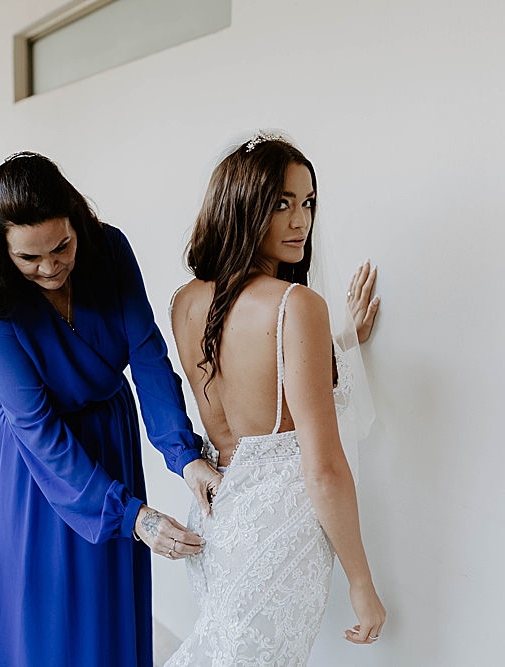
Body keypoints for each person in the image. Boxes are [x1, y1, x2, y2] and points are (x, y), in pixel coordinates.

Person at [0, 153, 217, 666]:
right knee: (41, 616)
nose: (49, 267)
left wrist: (185, 455)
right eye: (29, 258)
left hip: (111, 440)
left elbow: (148, 356)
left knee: (106, 608)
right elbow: (37, 428)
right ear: (3, 253)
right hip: (36, 466)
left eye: (60, 246)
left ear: (76, 222)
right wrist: (130, 515)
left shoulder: (109, 249)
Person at [165, 135, 386, 666]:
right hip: (281, 536)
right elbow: (324, 468)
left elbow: (252, 378)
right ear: (242, 204)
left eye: (307, 203)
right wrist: (362, 582)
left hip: (219, 521)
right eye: (281, 203)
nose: (300, 222)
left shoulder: (187, 300)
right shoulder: (296, 305)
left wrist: (342, 340)